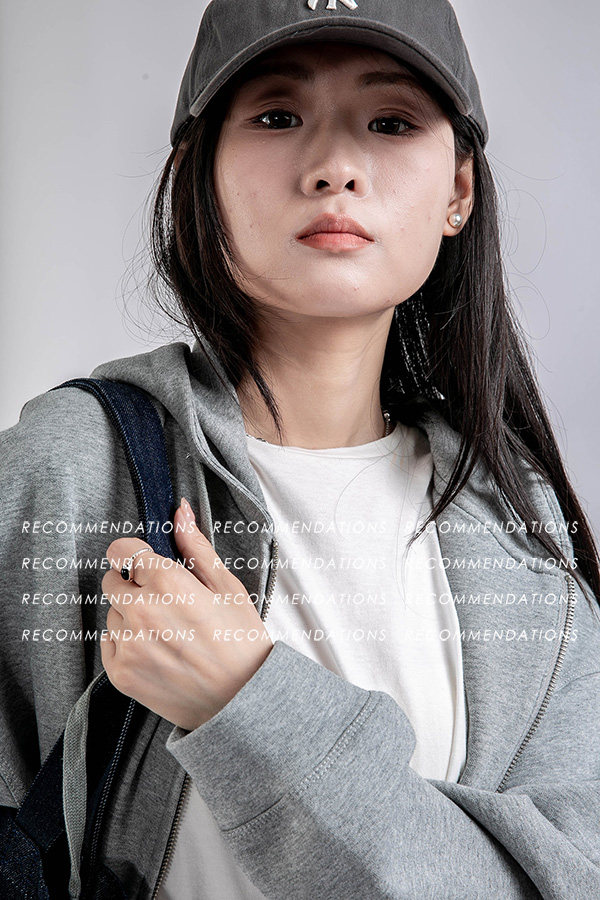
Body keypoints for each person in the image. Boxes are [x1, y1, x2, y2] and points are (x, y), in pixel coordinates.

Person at [1, 0, 599, 897]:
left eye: (390, 122)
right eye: (278, 116)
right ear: (198, 176)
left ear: (459, 192)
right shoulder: (70, 474)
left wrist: (248, 700)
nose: (333, 168)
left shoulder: (523, 529)